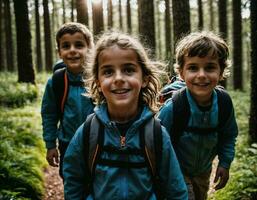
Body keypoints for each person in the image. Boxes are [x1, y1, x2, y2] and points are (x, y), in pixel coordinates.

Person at [63, 32, 188, 199]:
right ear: (98, 83)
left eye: (128, 70)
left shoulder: (156, 133)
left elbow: (175, 188)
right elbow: (73, 180)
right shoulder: (88, 132)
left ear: (144, 78)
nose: (119, 78)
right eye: (108, 72)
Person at [157, 31, 238, 200]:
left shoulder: (223, 104)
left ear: (221, 71)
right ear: (181, 73)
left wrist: (224, 163)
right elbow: (157, 143)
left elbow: (228, 135)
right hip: (176, 170)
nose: (201, 75)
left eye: (210, 67)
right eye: (193, 68)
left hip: (203, 170)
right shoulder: (173, 107)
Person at [41, 22, 94, 179]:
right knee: (71, 180)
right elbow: (49, 114)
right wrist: (51, 145)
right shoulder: (56, 82)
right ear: (59, 52)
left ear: (90, 49)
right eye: (66, 46)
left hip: (99, 143)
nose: (72, 50)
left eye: (79, 45)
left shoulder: (98, 78)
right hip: (67, 143)